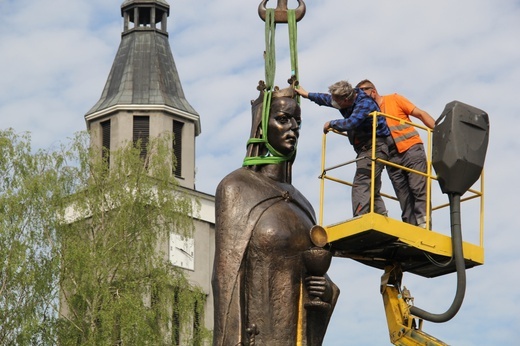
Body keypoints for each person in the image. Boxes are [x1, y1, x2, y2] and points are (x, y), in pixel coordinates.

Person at [212, 82, 339, 346]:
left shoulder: (303, 205)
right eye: (282, 119)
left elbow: (315, 278)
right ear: (261, 126)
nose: (293, 128)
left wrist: (324, 291)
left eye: (297, 122)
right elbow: (226, 279)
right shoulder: (237, 187)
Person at [295, 80, 391, 217]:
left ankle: (360, 220)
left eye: (337, 101)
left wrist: (331, 124)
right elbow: (327, 99)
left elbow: (351, 123)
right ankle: (382, 219)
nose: (334, 103)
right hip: (367, 149)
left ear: (346, 100)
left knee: (361, 184)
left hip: (375, 147)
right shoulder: (348, 100)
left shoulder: (365, 103)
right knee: (371, 188)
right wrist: (307, 94)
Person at [356, 79, 435, 227]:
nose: (360, 98)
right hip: (391, 158)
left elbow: (420, 114)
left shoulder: (394, 99)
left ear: (372, 91)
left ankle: (424, 226)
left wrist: (440, 132)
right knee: (403, 197)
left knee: (418, 189)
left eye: (363, 93)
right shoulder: (367, 113)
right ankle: (410, 227)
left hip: (411, 150)